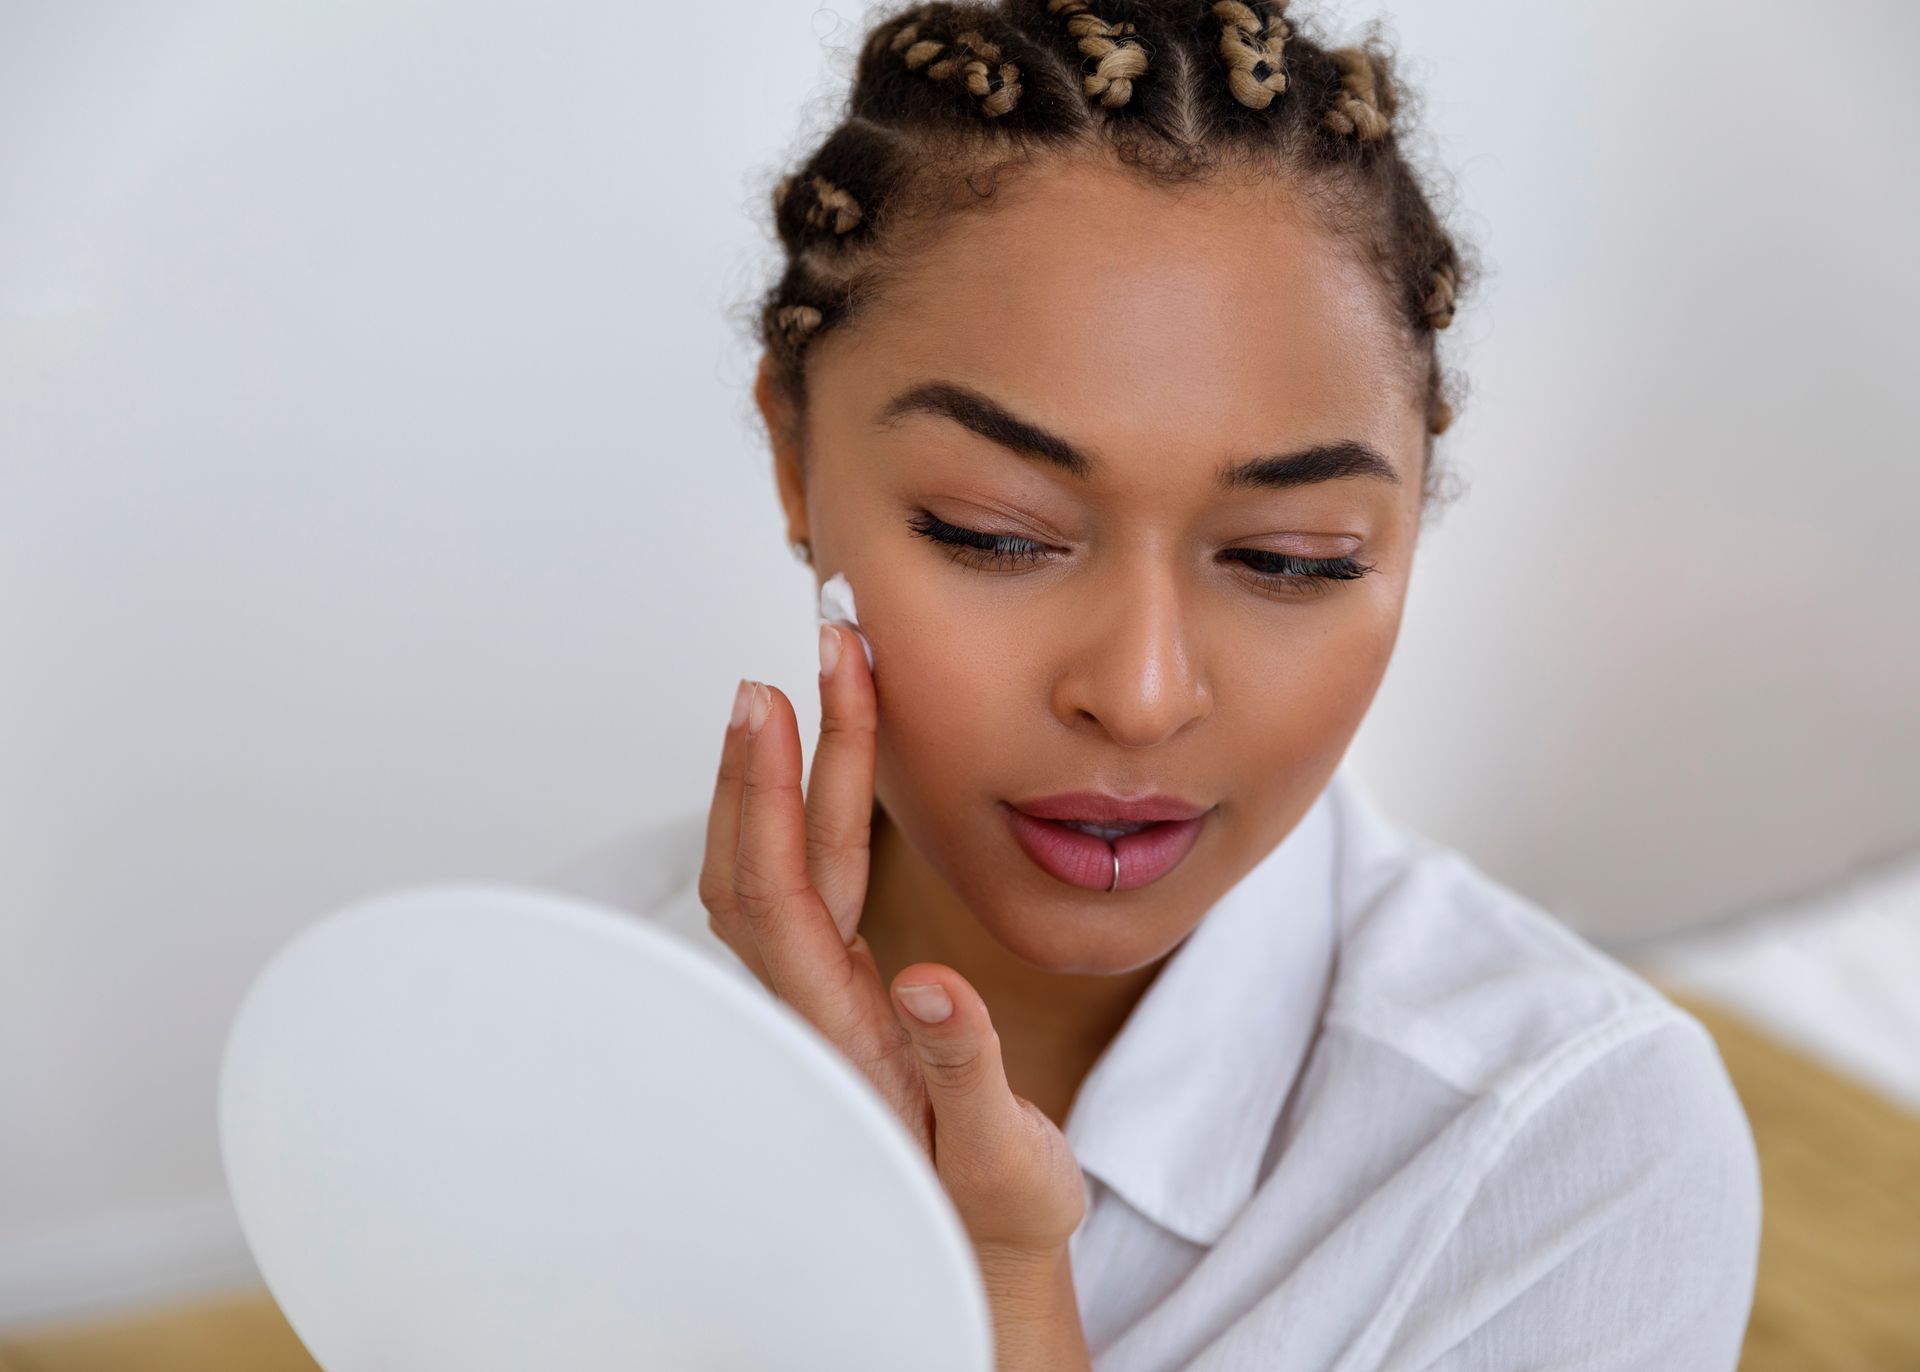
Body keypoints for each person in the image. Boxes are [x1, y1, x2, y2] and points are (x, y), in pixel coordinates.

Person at [595, 2, 1762, 1366]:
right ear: (796, 463)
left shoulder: (1567, 1143)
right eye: (996, 534)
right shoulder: (556, 1031)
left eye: (1290, 560)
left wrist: (996, 1290)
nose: (1141, 697)